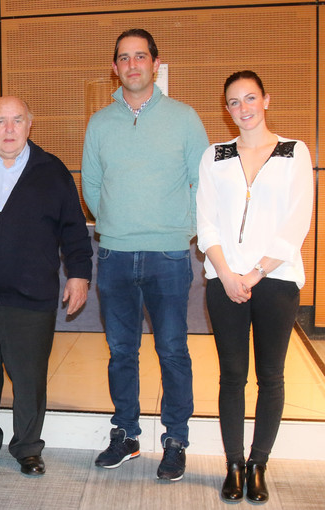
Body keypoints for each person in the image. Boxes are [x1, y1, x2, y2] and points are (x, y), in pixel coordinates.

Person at [81, 28, 209, 481]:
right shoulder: (100, 123)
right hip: (114, 255)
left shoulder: (184, 118)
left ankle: (175, 440)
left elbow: (202, 182)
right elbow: (91, 185)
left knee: (172, 350)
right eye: (124, 57)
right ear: (114, 67)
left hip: (169, 256)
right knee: (121, 351)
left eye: (140, 56)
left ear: (155, 63)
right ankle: (127, 434)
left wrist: (182, 230)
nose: (132, 64)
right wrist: (117, 223)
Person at [0, 96, 92, 477]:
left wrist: (79, 274)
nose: (9, 129)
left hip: (31, 297)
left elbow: (74, 230)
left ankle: (28, 448)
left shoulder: (53, 171)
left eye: (17, 120)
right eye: (1, 121)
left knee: (29, 379)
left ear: (30, 125)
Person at [197, 70, 313, 503]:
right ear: (226, 109)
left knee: (271, 375)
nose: (242, 108)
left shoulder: (293, 152)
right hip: (224, 279)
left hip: (276, 280)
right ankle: (233, 464)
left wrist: (254, 274)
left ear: (266, 100)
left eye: (249, 98)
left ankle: (258, 463)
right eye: (233, 101)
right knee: (232, 375)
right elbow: (206, 221)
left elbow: (296, 222)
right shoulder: (216, 155)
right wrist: (227, 274)